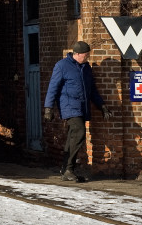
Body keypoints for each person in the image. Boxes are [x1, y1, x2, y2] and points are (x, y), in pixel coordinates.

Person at [43, 41, 113, 182]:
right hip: (68, 105)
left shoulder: (86, 67)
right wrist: (48, 108)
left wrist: (102, 106)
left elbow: (92, 89)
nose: (87, 58)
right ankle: (69, 168)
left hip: (82, 106)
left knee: (72, 137)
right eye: (86, 55)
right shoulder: (62, 66)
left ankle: (66, 169)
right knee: (79, 131)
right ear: (78, 54)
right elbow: (53, 87)